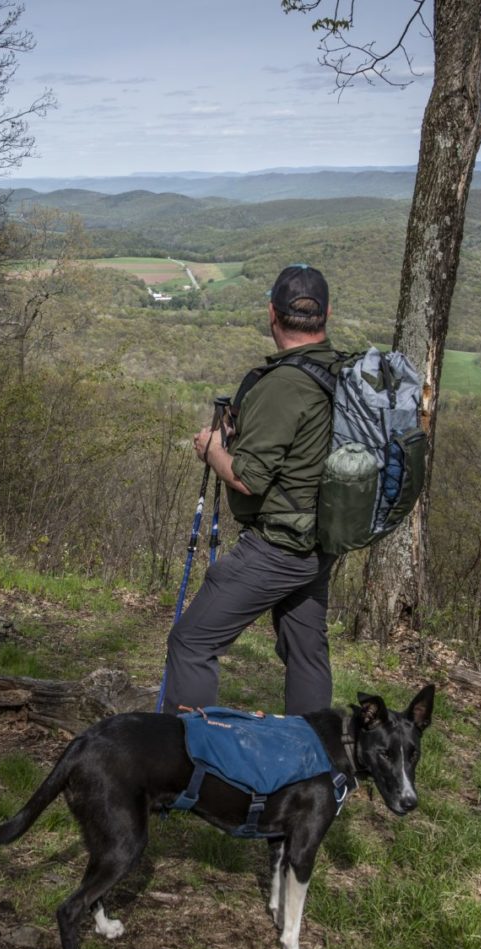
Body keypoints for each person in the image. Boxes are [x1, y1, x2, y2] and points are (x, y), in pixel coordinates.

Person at [163, 264, 343, 716]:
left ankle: (188, 762)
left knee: (191, 642)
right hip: (319, 538)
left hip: (279, 545)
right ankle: (312, 763)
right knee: (305, 651)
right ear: (326, 315)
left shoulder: (284, 384)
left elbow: (248, 478)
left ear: (272, 314)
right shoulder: (339, 371)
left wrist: (210, 448)